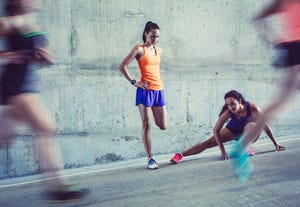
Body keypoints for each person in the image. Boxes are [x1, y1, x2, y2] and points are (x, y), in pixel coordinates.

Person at [0, 0, 88, 201]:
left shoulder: (35, 26)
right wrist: (7, 54)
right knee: (46, 127)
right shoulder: (9, 22)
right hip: (15, 85)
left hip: (28, 84)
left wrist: (45, 57)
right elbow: (9, 53)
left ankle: (58, 185)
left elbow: (49, 58)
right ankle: (59, 185)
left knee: (3, 138)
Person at [230, 0, 300, 182]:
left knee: (281, 101)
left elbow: (258, 18)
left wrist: (277, 43)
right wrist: (277, 43)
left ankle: (242, 147)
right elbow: (258, 18)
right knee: (281, 101)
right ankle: (242, 146)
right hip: (295, 48)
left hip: (293, 48)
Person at [170, 90, 286, 164]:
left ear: (239, 101)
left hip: (250, 132)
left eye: (233, 104)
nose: (230, 107)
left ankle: (246, 147)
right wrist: (223, 151)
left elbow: (264, 124)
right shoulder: (227, 113)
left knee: (251, 125)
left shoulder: (252, 108)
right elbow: (216, 130)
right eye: (228, 105)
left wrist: (275, 143)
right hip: (233, 130)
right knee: (208, 143)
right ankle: (180, 155)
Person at [119, 21, 167, 170]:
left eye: (157, 36)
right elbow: (122, 66)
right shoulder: (139, 49)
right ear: (146, 34)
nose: (155, 39)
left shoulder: (159, 50)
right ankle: (150, 159)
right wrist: (134, 82)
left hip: (158, 90)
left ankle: (150, 157)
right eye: (152, 36)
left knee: (163, 125)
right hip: (144, 91)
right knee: (147, 124)